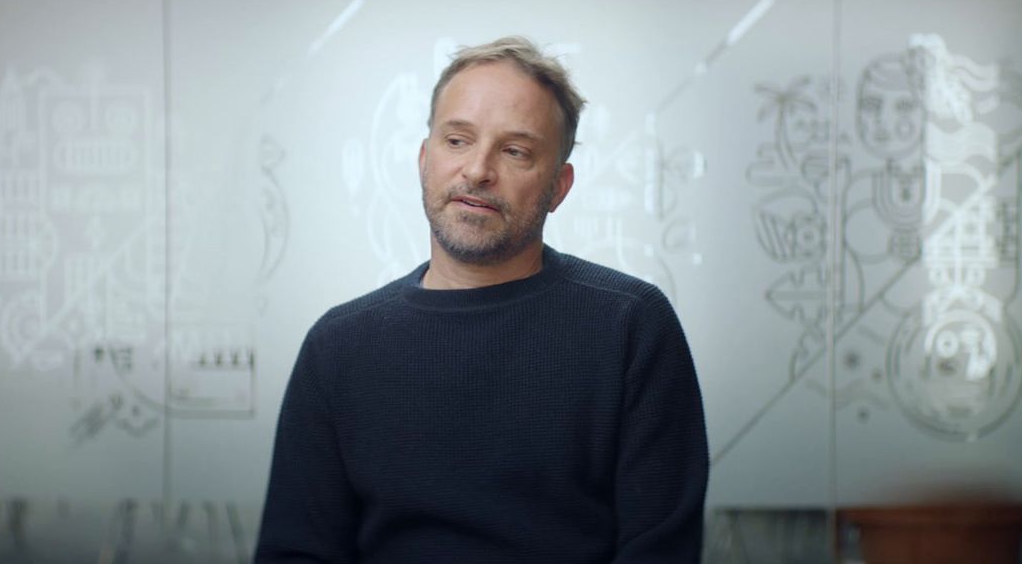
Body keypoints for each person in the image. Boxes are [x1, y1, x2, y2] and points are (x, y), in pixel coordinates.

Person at [255, 36, 708, 563]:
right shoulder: (338, 345)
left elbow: (660, 552)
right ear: (425, 160)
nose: (477, 170)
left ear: (559, 187)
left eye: (515, 151)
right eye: (457, 140)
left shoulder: (630, 326)